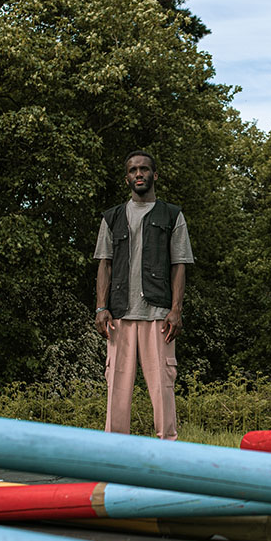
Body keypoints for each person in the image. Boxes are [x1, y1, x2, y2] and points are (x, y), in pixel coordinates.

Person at [93, 150, 194, 440]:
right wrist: (101, 307)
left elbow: (179, 265)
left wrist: (176, 309)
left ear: (154, 175)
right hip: (119, 315)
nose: (139, 174)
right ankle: (115, 457)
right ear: (127, 178)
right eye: (133, 170)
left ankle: (168, 454)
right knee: (117, 391)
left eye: (144, 169)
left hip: (158, 315)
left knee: (163, 388)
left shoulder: (172, 215)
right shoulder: (111, 217)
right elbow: (104, 264)